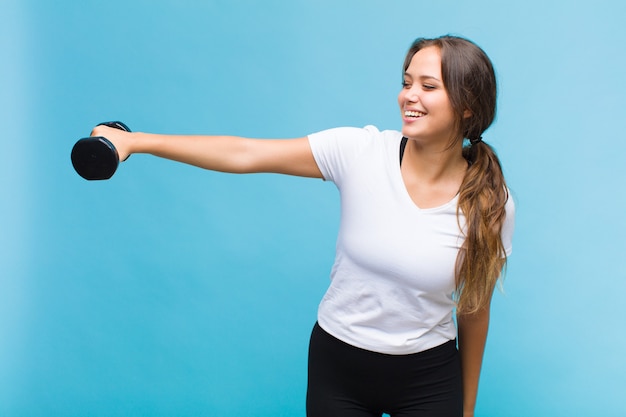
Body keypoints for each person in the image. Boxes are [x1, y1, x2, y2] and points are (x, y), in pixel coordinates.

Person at [90, 35, 515, 417]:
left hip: (429, 376)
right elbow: (244, 154)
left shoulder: (490, 202)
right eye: (407, 82)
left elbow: (475, 310)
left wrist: (467, 408)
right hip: (341, 366)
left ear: (467, 106)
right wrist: (135, 141)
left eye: (428, 86)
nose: (409, 96)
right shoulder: (361, 151)